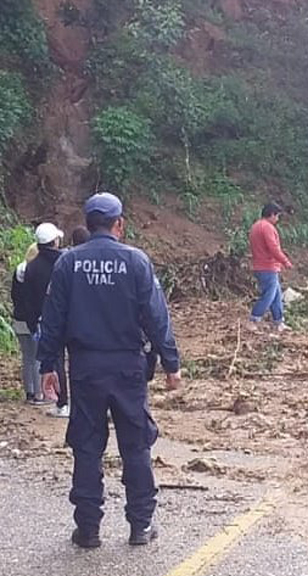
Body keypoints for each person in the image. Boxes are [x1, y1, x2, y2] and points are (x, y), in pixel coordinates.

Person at [37, 192, 181, 549]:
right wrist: (171, 363)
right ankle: (141, 525)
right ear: (119, 224)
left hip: (85, 368)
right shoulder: (135, 261)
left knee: (86, 446)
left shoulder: (68, 264)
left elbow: (52, 319)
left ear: (88, 224)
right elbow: (156, 316)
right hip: (127, 368)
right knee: (135, 446)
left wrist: (47, 364)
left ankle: (88, 529)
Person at [23, 223, 70, 418]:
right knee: (78, 359)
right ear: (54, 241)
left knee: (55, 361)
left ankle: (62, 402)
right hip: (71, 318)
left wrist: (33, 324)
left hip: (46, 322)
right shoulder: (66, 260)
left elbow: (29, 300)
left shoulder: (31, 268)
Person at [248, 202, 293, 331]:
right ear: (272, 214)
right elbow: (273, 248)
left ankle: (278, 321)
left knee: (276, 295)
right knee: (269, 295)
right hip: (267, 266)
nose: (277, 219)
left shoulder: (256, 226)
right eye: (277, 216)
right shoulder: (267, 227)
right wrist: (285, 261)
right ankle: (254, 318)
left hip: (260, 266)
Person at [11, 243, 43, 405]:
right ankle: (38, 393)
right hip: (33, 320)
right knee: (37, 357)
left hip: (19, 319)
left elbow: (14, 295)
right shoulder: (36, 272)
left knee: (27, 358)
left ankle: (29, 392)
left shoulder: (18, 270)